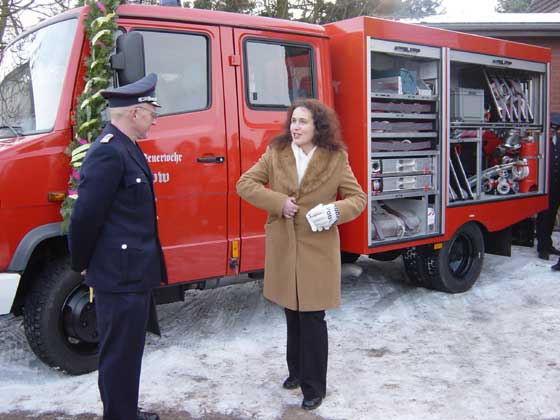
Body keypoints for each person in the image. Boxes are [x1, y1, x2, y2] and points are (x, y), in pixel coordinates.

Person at [236, 99, 366, 410]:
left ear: (317, 126)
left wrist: (336, 210)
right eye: (293, 120)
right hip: (283, 246)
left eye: (303, 121)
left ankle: (314, 387)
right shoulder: (276, 152)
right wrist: (278, 201)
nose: (295, 126)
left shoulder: (336, 158)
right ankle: (295, 372)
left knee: (312, 316)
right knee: (291, 312)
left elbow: (358, 198)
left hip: (317, 249)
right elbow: (245, 183)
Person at [68, 73, 167, 420]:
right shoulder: (109, 152)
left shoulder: (127, 147)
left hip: (131, 273)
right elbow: (84, 217)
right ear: (135, 113)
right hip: (118, 275)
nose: (156, 117)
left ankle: (124, 411)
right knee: (119, 353)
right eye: (152, 110)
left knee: (128, 352)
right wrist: (81, 261)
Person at [537, 112, 560, 262]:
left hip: (557, 185)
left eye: (556, 128)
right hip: (546, 185)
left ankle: (549, 244)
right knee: (544, 217)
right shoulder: (542, 142)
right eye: (552, 127)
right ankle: (543, 247)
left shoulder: (558, 141)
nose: (554, 130)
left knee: (551, 217)